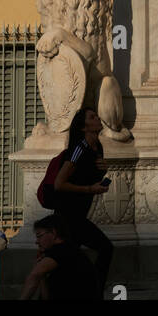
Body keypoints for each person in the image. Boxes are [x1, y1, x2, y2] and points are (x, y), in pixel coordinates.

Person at [51, 106, 113, 294]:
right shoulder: (79, 149)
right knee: (106, 248)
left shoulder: (98, 147)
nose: (98, 118)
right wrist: (89, 189)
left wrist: (103, 172)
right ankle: (94, 293)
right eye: (93, 117)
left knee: (65, 265)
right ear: (84, 127)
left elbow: (88, 175)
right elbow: (59, 184)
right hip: (68, 216)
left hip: (79, 214)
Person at [20, 214, 100, 301]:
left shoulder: (62, 250)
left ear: (53, 233)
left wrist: (38, 271)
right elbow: (46, 297)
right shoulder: (68, 251)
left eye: (39, 236)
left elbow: (33, 278)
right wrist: (42, 275)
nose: (37, 241)